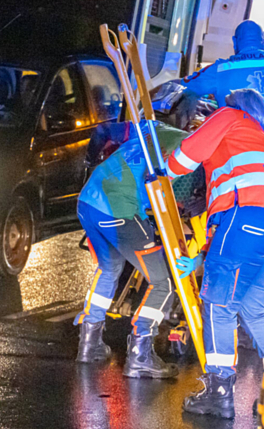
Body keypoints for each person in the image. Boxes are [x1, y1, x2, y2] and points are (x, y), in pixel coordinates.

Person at [169, 89, 264, 419]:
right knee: (254, 307)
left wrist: (162, 169)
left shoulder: (230, 117)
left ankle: (218, 392)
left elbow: (186, 156)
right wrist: (202, 257)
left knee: (219, 303)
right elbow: (228, 230)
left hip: (249, 214)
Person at [181, 21, 264, 326]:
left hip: (252, 165)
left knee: (243, 233)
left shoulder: (223, 68)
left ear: (235, 42)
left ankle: (238, 301)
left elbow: (189, 89)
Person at [74, 83, 202, 379]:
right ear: (185, 115)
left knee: (109, 269)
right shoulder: (184, 141)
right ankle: (140, 355)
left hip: (88, 201)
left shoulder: (143, 128)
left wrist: (89, 163)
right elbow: (185, 189)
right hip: (118, 210)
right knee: (164, 283)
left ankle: (88, 345)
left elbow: (102, 132)